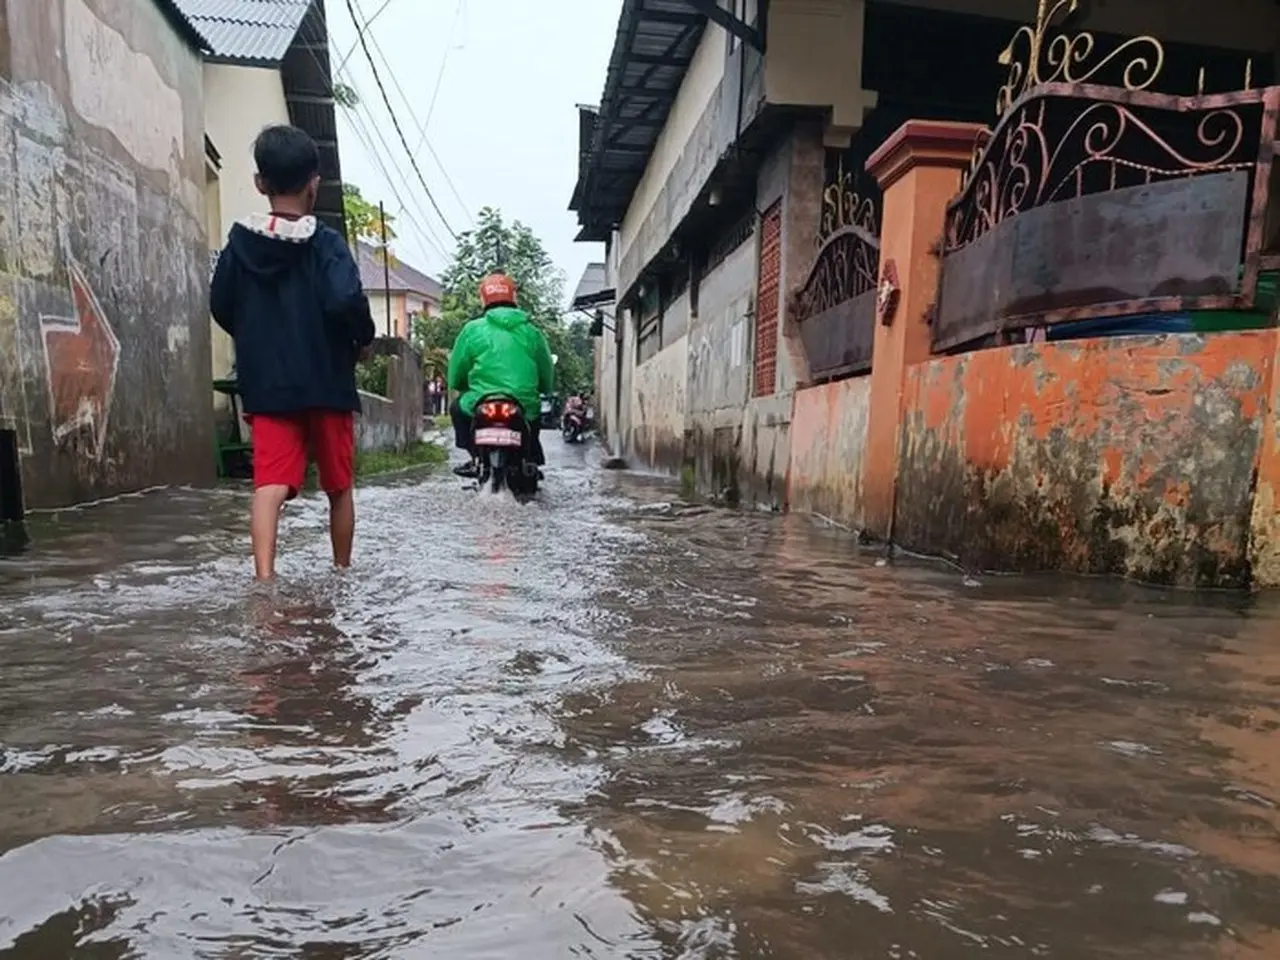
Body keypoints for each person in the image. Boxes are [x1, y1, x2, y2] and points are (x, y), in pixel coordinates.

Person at [210, 124, 375, 581]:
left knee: (269, 485)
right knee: (339, 488)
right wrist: (361, 340)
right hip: (326, 382)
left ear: (260, 183)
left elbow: (221, 303)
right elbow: (345, 300)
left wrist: (254, 337)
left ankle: (264, 580)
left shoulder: (239, 245)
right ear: (314, 184)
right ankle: (342, 573)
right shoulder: (326, 244)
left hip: (268, 385)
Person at [447, 273, 555, 478]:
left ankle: (474, 457)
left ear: (483, 298)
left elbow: (456, 374)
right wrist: (544, 389)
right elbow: (546, 372)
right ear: (513, 297)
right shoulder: (532, 332)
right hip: (523, 403)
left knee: (456, 408)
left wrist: (462, 386)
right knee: (533, 421)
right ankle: (530, 459)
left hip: (479, 401)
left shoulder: (471, 330)